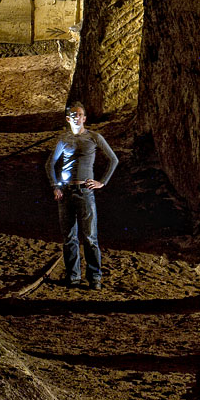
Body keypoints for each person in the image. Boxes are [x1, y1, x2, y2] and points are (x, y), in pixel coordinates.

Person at [44, 102, 118, 289]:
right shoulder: (64, 139)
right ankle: (73, 276)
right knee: (69, 237)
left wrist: (102, 182)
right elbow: (50, 164)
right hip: (66, 193)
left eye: (80, 114)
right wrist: (55, 186)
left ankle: (95, 278)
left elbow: (113, 159)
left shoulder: (94, 137)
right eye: (73, 114)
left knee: (90, 237)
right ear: (68, 119)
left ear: (84, 118)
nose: (77, 117)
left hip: (85, 192)